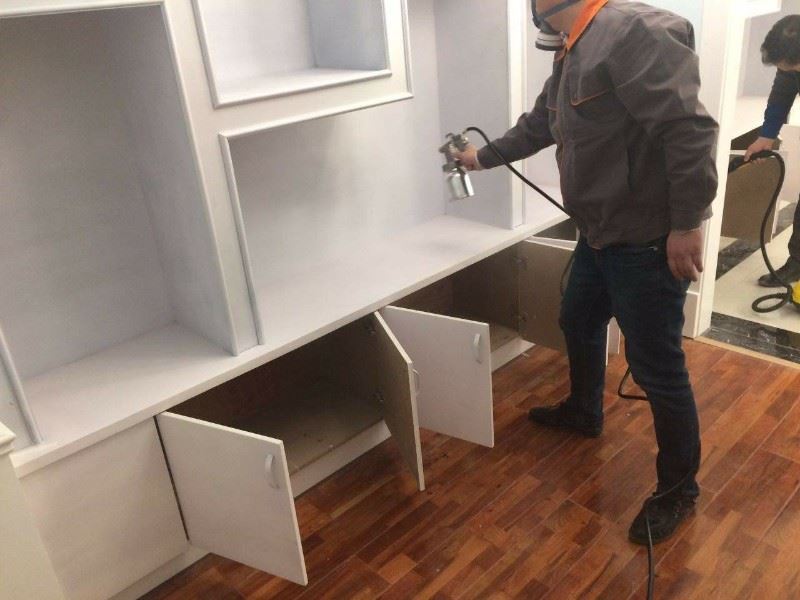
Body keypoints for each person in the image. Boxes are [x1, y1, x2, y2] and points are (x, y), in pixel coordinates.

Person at [454, 0, 718, 545]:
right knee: (577, 319)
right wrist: (481, 158)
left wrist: (687, 223)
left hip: (645, 242)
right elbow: (541, 125)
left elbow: (688, 130)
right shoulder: (573, 47)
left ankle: (678, 490)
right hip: (598, 233)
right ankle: (583, 410)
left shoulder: (634, 34)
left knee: (657, 370)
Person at [744, 15, 800, 287]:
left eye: (794, 68)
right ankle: (797, 264)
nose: (790, 73)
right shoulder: (791, 66)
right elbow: (781, 94)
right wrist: (767, 134)